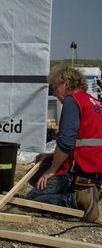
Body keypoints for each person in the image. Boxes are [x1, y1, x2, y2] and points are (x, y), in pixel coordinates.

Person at [26, 63, 102, 222]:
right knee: (37, 177)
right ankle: (87, 194)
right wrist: (52, 155)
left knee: (32, 199)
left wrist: (52, 170)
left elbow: (67, 143)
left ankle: (76, 200)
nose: (53, 92)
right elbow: (84, 142)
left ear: (66, 83)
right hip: (96, 171)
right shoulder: (94, 102)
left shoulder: (72, 100)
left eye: (54, 87)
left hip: (81, 170)